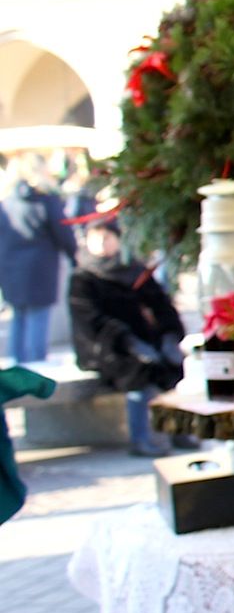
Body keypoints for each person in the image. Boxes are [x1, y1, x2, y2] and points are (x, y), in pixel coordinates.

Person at [68, 217, 188, 457]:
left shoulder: (134, 270)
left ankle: (180, 428)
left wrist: (169, 335)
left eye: (107, 237)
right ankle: (143, 437)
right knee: (139, 375)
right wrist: (128, 342)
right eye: (96, 239)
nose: (102, 244)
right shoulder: (83, 278)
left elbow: (162, 305)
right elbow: (90, 321)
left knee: (173, 367)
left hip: (144, 340)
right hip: (105, 347)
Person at [0, 153, 76, 364]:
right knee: (38, 316)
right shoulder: (45, 199)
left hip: (8, 266)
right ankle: (36, 364)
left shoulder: (6, 202)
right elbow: (63, 232)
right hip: (39, 265)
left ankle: (17, 363)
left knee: (19, 315)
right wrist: (74, 256)